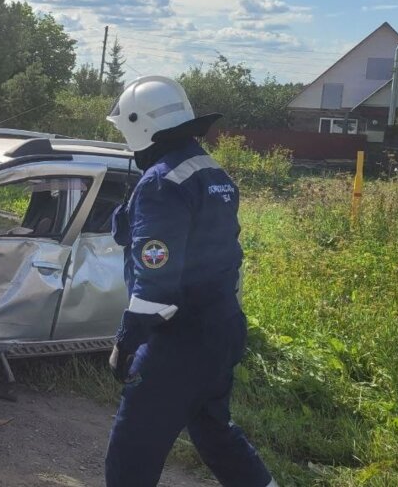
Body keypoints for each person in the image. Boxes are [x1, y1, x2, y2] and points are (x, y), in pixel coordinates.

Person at [103, 76, 276, 487]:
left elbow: (156, 277)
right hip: (222, 328)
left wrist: (126, 341)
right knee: (215, 433)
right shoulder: (210, 171)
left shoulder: (162, 181)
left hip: (179, 339)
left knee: (132, 450)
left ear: (138, 123)